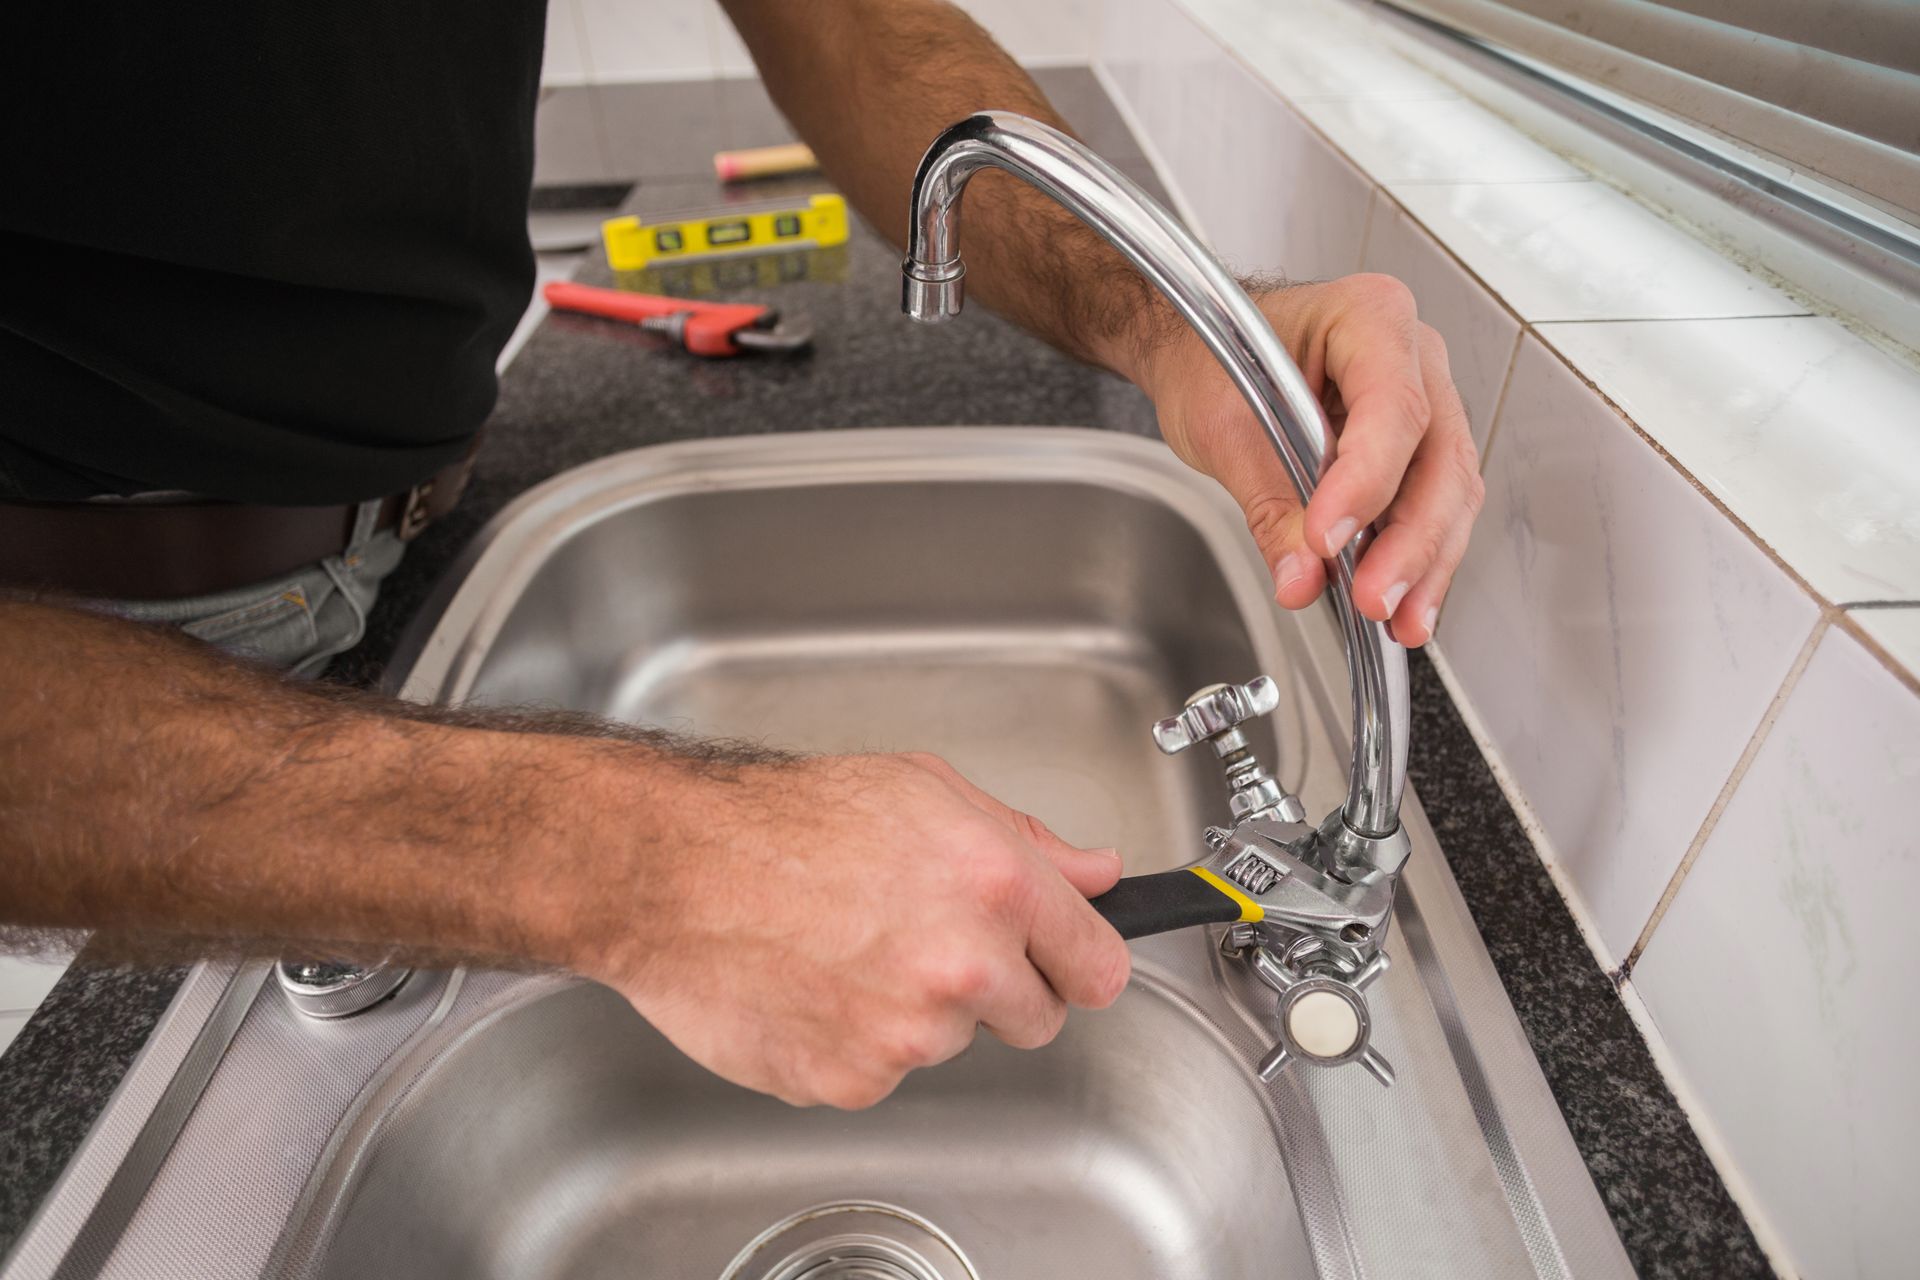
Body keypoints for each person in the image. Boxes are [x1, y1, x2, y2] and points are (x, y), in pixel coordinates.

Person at [0, 0, 1481, 1110]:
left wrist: (1172, 320)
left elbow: (845, 22)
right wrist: (643, 861)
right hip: (97, 657)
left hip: (399, 507)